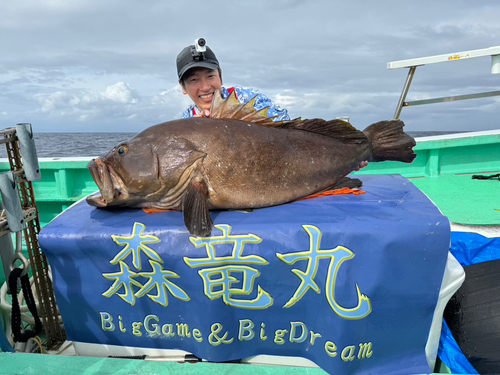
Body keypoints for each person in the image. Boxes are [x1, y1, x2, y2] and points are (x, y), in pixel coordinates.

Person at [176, 38, 289, 121]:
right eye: (194, 80)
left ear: (221, 77)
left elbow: (286, 127)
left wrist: (235, 123)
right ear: (183, 87)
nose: (205, 87)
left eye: (210, 76)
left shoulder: (248, 99)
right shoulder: (186, 122)